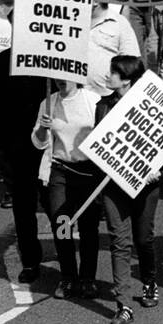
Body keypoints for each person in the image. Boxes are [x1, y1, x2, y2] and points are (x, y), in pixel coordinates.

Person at [96, 56, 162, 324]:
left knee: (143, 239)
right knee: (119, 242)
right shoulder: (103, 106)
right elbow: (100, 142)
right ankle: (123, 304)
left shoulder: (152, 104)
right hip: (114, 186)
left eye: (113, 72)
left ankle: (149, 281)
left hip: (147, 185)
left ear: (126, 79)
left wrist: (158, 168)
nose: (108, 75)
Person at [32, 78, 103, 301]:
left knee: (88, 226)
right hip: (61, 170)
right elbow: (38, 142)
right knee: (61, 222)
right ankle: (68, 276)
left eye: (66, 77)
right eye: (57, 78)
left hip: (88, 171)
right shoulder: (48, 102)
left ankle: (88, 278)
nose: (61, 81)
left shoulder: (93, 100)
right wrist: (44, 129)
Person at [0, 29, 50, 278]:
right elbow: (4, 104)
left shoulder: (52, 60)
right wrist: (1, 147)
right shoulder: (3, 59)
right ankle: (30, 261)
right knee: (23, 207)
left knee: (56, 205)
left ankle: (67, 256)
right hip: (16, 145)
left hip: (48, 142)